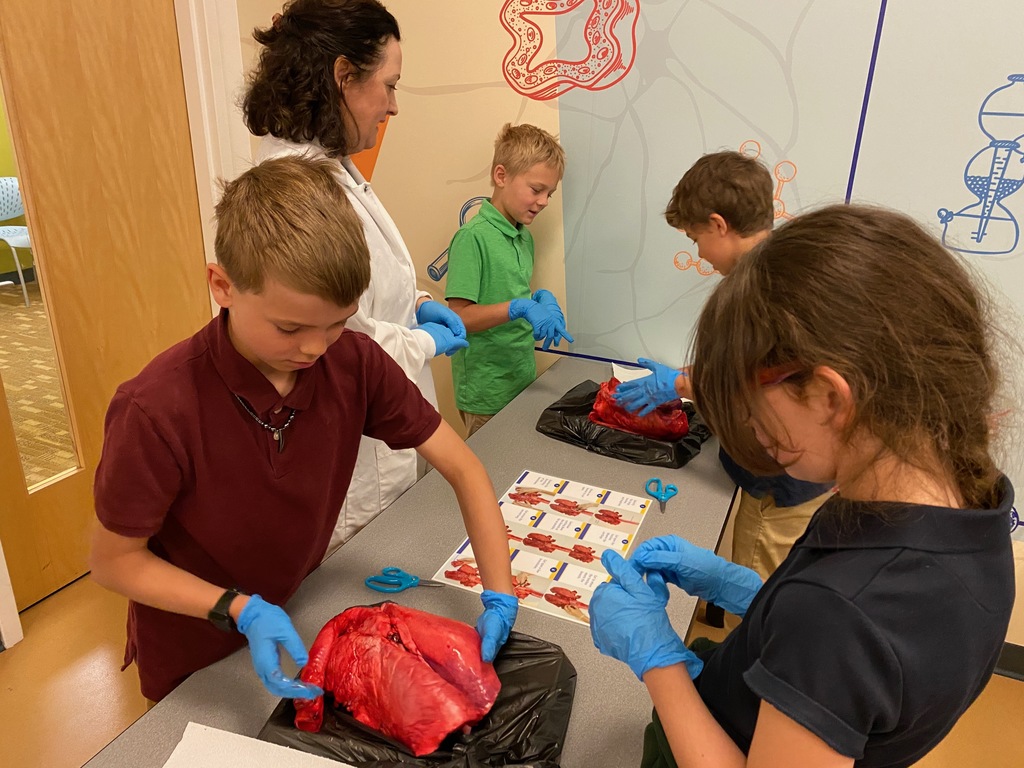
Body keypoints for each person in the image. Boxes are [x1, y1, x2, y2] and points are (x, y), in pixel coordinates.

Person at [590, 204, 1015, 767]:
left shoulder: (838, 616)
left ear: (828, 396)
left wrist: (658, 660)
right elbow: (867, 671)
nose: (747, 423)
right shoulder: (968, 499)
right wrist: (751, 592)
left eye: (749, 400)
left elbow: (841, 633)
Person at [88, 156, 518, 704]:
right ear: (222, 285)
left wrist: (499, 594)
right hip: (194, 645)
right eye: (289, 327)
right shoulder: (155, 409)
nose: (315, 348)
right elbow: (113, 560)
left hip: (299, 611)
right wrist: (236, 607)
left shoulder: (354, 362)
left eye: (338, 322)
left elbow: (463, 466)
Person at [242, 0, 467, 553]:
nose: (393, 106)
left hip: (381, 424)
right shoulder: (299, 194)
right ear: (344, 76)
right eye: (388, 86)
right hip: (350, 445)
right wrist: (424, 342)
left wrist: (416, 303)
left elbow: (365, 286)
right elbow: (344, 342)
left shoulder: (333, 168)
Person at [615, 151, 832, 588]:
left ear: (718, 224)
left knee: (757, 592)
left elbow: (763, 384)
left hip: (781, 486)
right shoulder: (780, 268)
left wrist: (681, 382)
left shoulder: (763, 289)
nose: (699, 253)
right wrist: (694, 373)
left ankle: (741, 652)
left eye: (696, 238)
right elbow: (758, 363)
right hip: (776, 472)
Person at [445, 123, 573, 437]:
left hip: (521, 377)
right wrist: (517, 308)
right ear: (501, 176)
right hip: (486, 391)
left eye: (550, 193)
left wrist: (538, 299)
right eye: (536, 189)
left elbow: (509, 292)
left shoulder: (522, 237)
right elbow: (459, 317)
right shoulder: (471, 238)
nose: (544, 201)